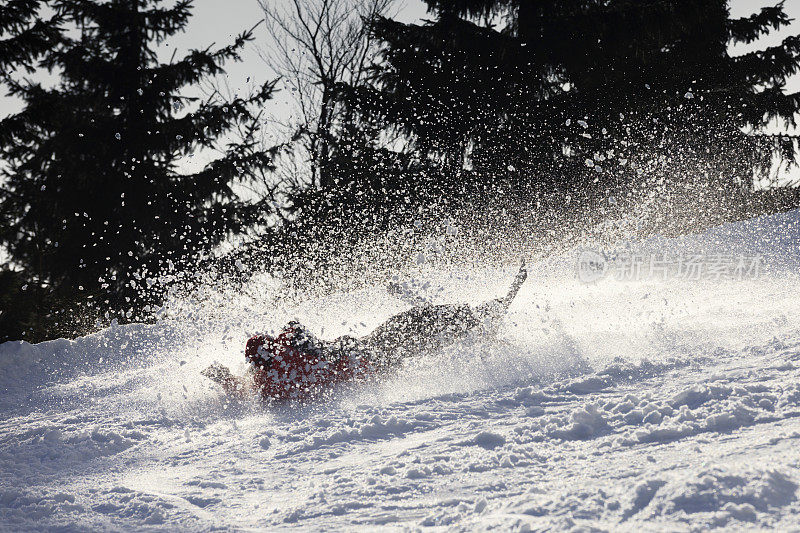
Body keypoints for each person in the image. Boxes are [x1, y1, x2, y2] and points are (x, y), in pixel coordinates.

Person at [203, 261, 527, 401]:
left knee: (418, 335)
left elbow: (243, 388)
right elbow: (298, 333)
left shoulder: (267, 385)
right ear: (269, 352)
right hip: (368, 358)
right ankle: (481, 318)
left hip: (365, 364)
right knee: (413, 324)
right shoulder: (287, 357)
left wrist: (221, 376)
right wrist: (290, 333)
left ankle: (474, 325)